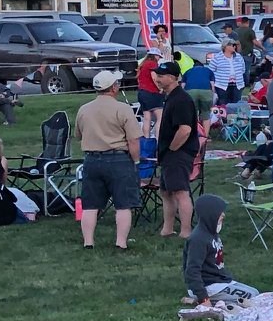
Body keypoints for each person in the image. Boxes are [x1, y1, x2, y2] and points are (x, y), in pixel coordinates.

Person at [76, 69, 142, 250]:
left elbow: (78, 135)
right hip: (118, 159)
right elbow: (133, 140)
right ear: (113, 88)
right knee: (123, 204)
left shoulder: (84, 109)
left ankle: (88, 242)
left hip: (91, 159)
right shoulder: (123, 109)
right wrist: (136, 161)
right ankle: (121, 243)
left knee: (90, 204)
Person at [179, 193, 254, 306]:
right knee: (252, 299)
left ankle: (198, 301)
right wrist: (203, 298)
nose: (223, 215)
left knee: (255, 293)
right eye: (219, 212)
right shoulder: (198, 239)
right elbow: (192, 271)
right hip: (208, 286)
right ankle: (202, 301)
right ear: (210, 214)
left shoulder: (211, 232)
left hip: (219, 282)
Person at [154, 62, 200, 240]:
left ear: (173, 78)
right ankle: (167, 229)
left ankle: (186, 231)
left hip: (178, 152)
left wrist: (173, 147)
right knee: (166, 192)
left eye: (161, 76)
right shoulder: (170, 97)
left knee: (180, 192)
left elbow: (185, 129)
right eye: (157, 75)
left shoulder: (181, 99)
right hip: (168, 153)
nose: (158, 79)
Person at [207, 41, 246, 109]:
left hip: (237, 85)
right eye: (232, 45)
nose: (235, 47)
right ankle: (224, 118)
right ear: (226, 47)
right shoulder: (217, 58)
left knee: (236, 104)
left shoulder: (239, 57)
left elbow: (243, 69)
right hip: (221, 86)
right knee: (223, 104)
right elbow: (210, 71)